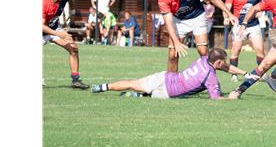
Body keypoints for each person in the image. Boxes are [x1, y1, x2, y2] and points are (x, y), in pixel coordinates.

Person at [91, 48, 259, 99]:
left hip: (164, 77)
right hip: (167, 92)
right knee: (152, 96)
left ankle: (102, 87)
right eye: (223, 61)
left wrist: (244, 73)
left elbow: (226, 67)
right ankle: (139, 97)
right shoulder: (210, 77)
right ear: (218, 62)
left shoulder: (203, 59)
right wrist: (230, 98)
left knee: (132, 82)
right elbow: (216, 98)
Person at [158, 0, 238, 73]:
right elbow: (168, 22)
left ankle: (210, 80)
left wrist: (229, 13)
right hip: (178, 20)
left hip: (197, 17)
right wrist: (177, 42)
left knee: (203, 52)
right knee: (173, 54)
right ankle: (171, 85)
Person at [42, 0, 89, 89]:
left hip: (53, 29)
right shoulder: (43, 3)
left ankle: (75, 81)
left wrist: (72, 13)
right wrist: (58, 34)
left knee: (73, 48)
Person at [224, 0, 265, 82]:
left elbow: (261, 5)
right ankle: (234, 74)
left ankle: (261, 74)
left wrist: (260, 12)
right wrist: (227, 17)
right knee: (236, 50)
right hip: (238, 25)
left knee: (260, 49)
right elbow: (226, 7)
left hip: (253, 25)